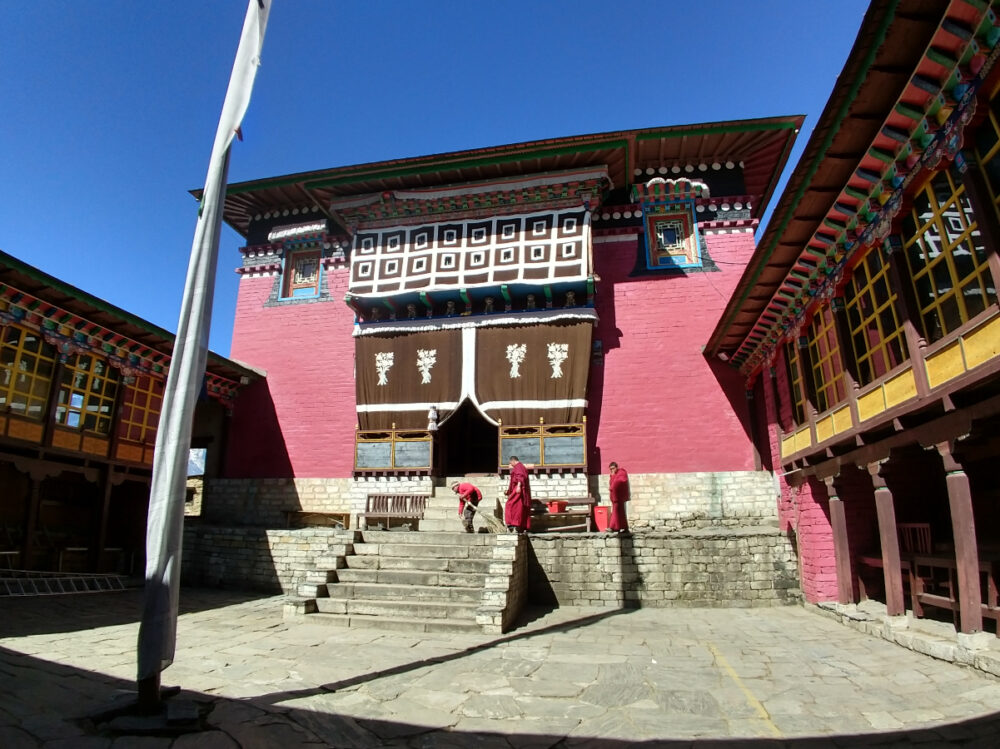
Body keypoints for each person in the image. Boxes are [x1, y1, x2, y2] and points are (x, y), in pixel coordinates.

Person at [504, 455, 531, 533]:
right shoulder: (521, 467)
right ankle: (521, 526)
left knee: (511, 505)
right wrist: (509, 491)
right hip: (519, 490)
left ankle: (513, 524)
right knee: (520, 507)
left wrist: (518, 486)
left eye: (511, 463)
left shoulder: (518, 467)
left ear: (513, 461)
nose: (511, 465)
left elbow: (520, 477)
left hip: (519, 490)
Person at [608, 461, 630, 534]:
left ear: (616, 467)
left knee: (616, 511)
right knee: (620, 513)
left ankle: (612, 527)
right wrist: (612, 476)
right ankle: (624, 528)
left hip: (619, 496)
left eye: (613, 468)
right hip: (615, 497)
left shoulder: (621, 472)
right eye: (610, 469)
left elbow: (619, 481)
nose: (612, 470)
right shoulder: (613, 474)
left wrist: (613, 476)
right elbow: (611, 483)